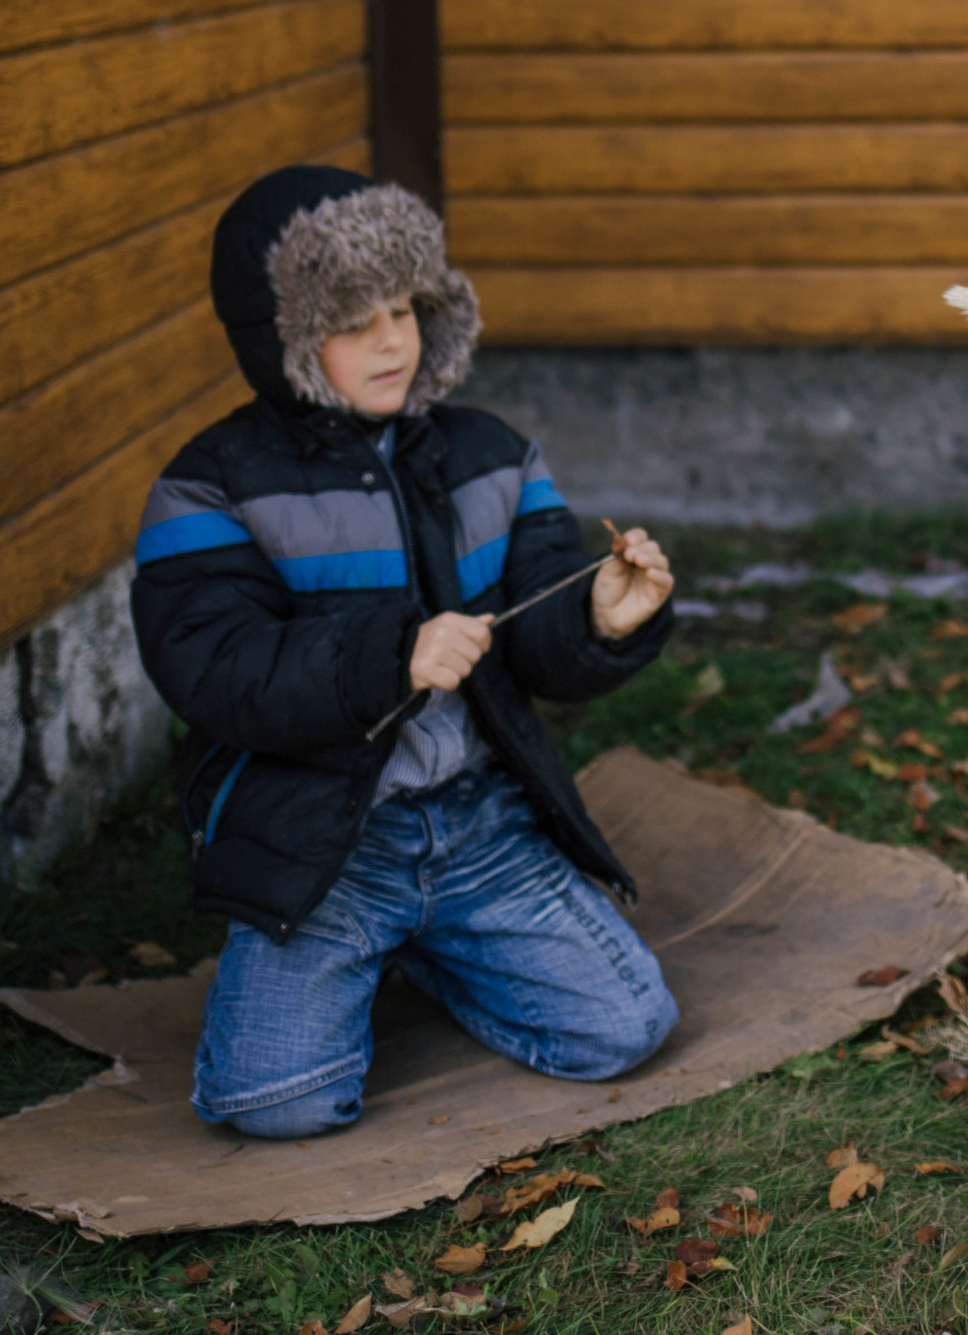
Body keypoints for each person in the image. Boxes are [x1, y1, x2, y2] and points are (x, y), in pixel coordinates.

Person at [129, 165, 680, 1139]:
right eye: (352, 321)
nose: (392, 338)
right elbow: (215, 667)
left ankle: (434, 945)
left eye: (403, 306)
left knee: (626, 1027)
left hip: (479, 828)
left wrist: (602, 612)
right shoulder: (210, 487)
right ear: (287, 341)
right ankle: (361, 948)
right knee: (274, 1103)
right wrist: (389, 656)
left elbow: (541, 632)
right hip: (330, 845)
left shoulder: (491, 453)